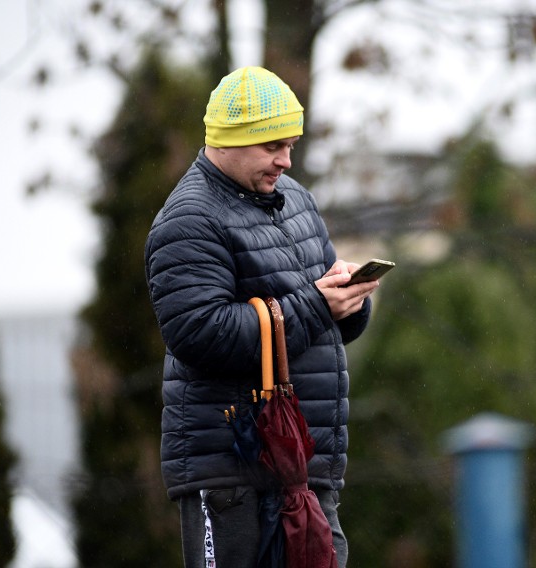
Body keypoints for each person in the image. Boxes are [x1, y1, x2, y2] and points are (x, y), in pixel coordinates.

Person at [144, 66, 378, 568]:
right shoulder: (188, 219)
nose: (285, 161)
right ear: (229, 140)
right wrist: (318, 304)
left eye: (291, 145)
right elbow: (200, 334)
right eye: (273, 146)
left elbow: (318, 320)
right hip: (230, 471)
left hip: (303, 466)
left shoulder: (297, 200)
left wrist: (349, 301)